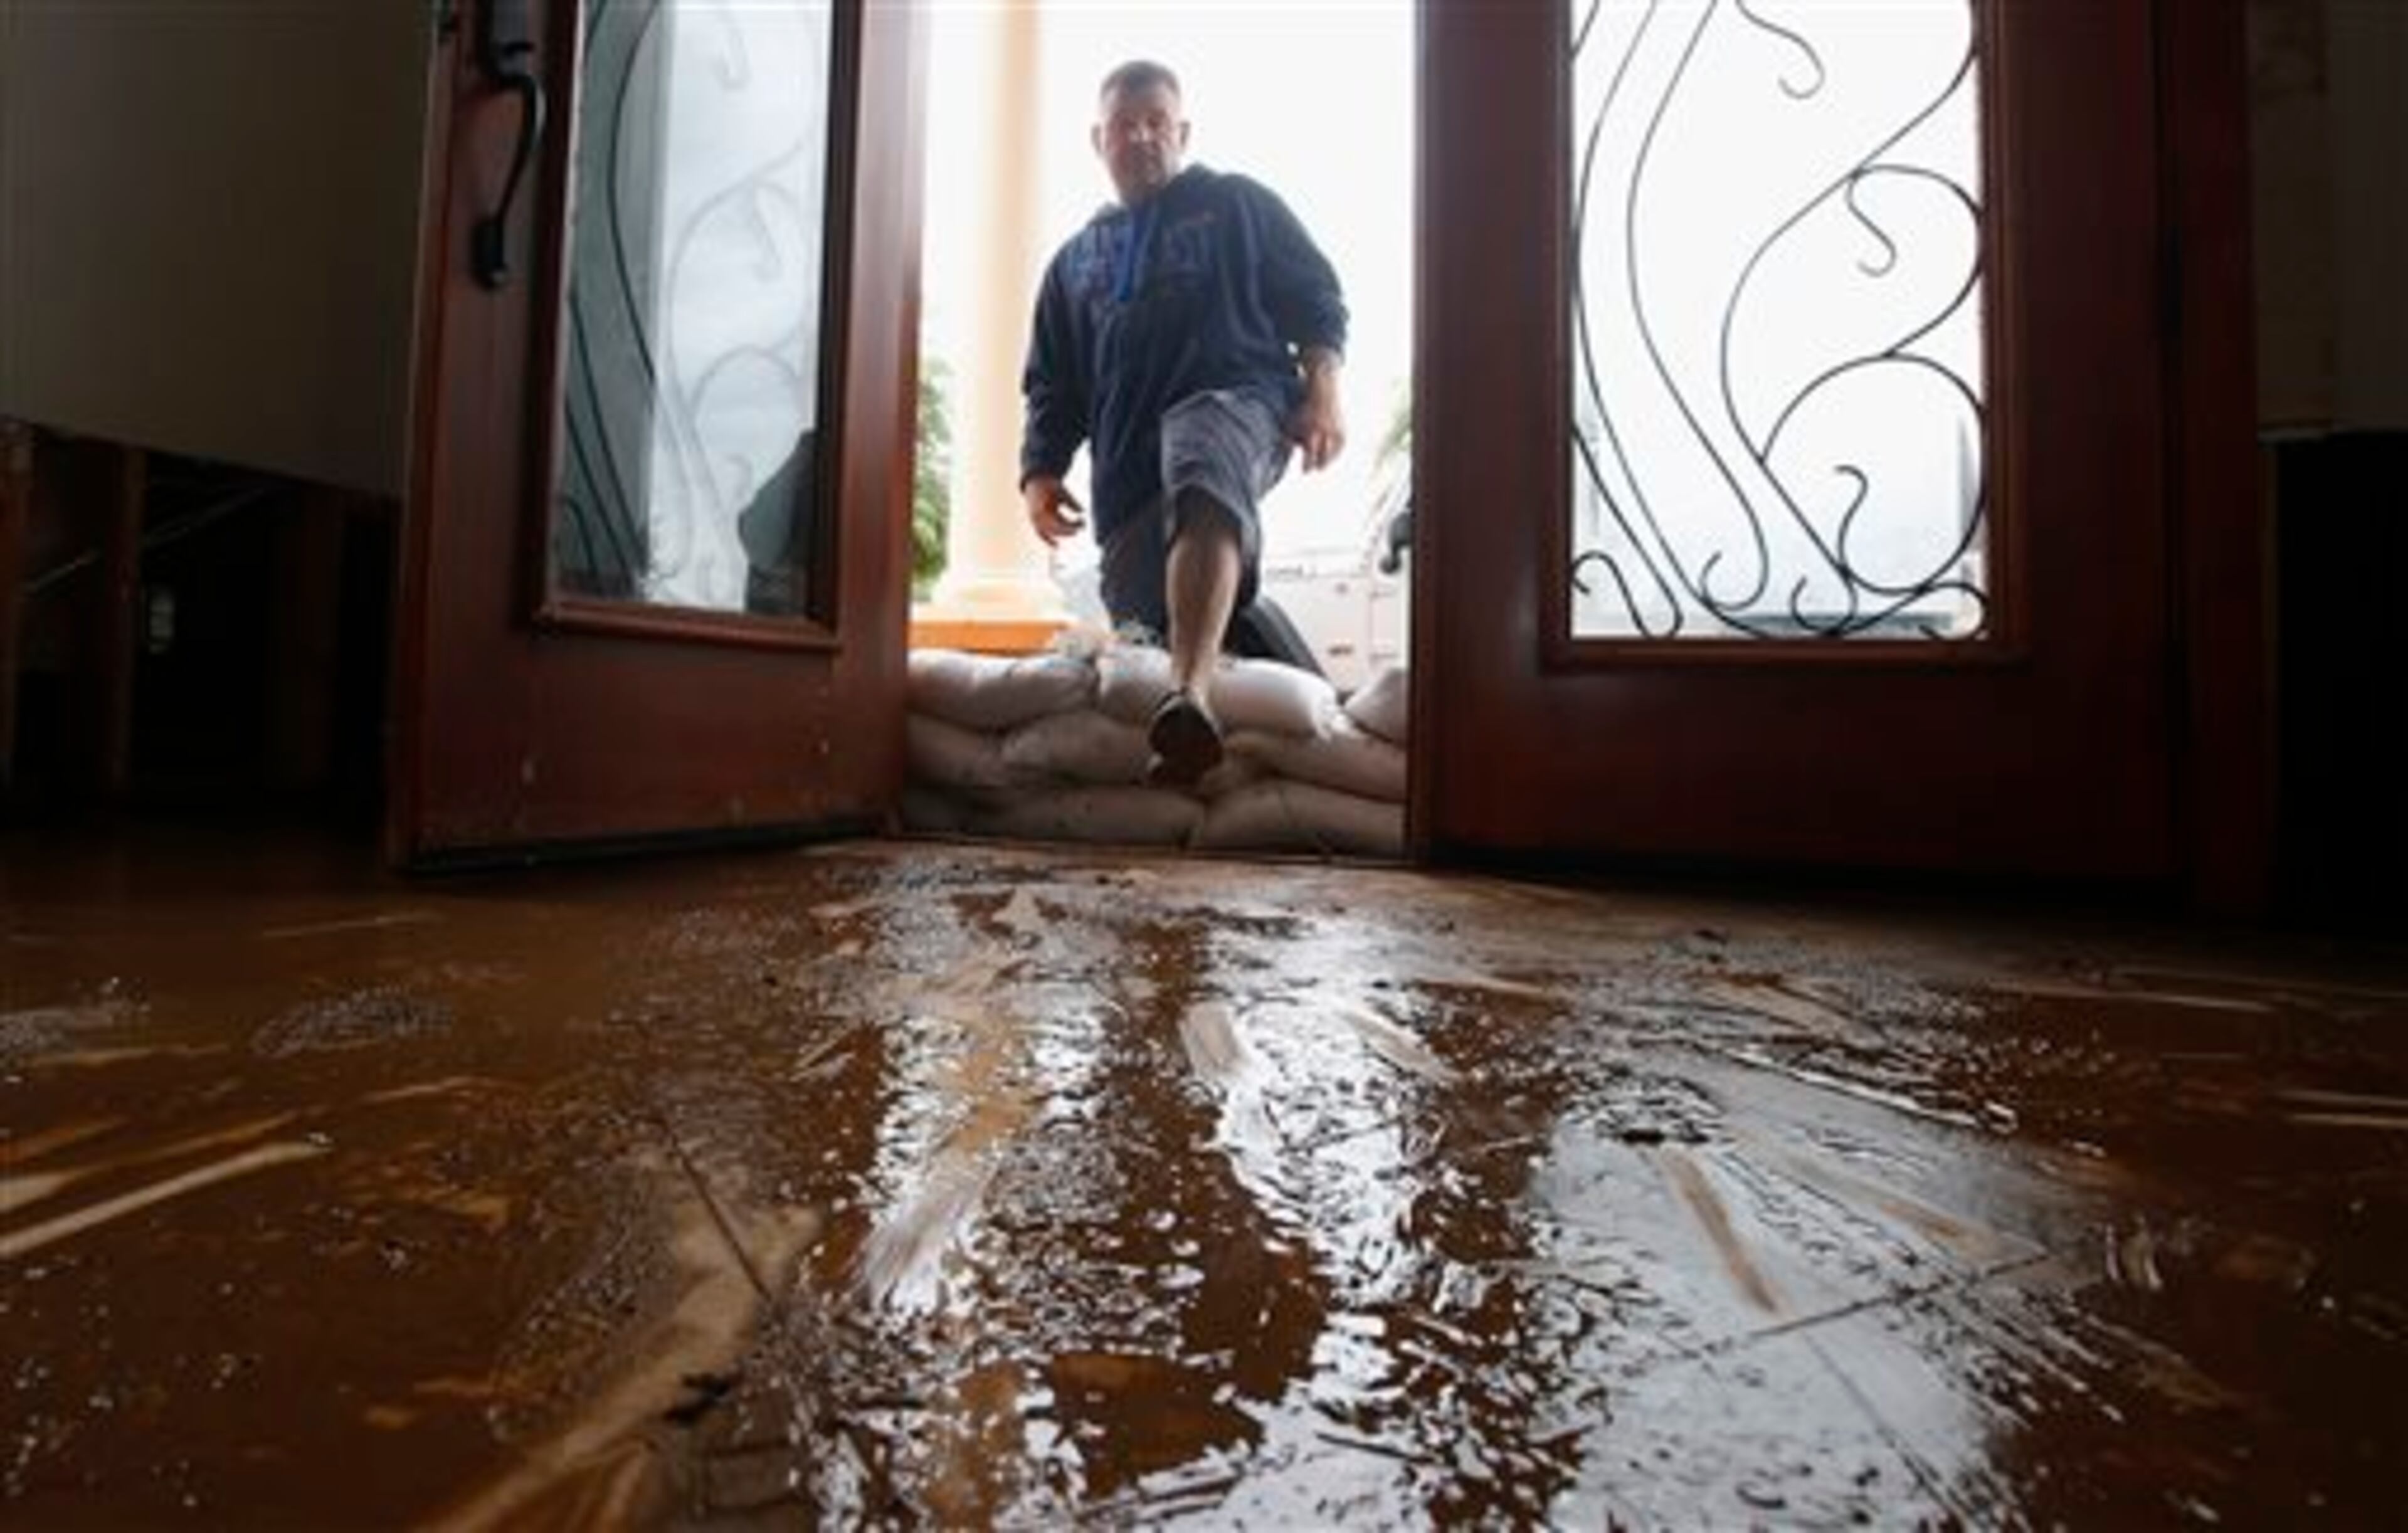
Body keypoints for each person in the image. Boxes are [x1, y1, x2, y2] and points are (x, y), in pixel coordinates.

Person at [1020, 60, 1348, 786]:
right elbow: (1052, 383)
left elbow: (1316, 295)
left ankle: (1190, 694)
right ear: (1098, 140)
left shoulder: (1237, 206)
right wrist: (1041, 472)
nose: (1141, 138)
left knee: (1201, 447)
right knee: (1163, 613)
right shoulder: (1073, 264)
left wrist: (1323, 387)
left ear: (1183, 131)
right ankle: (1264, 750)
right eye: (1124, 126)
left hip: (1241, 404)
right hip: (1129, 471)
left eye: (1156, 123)